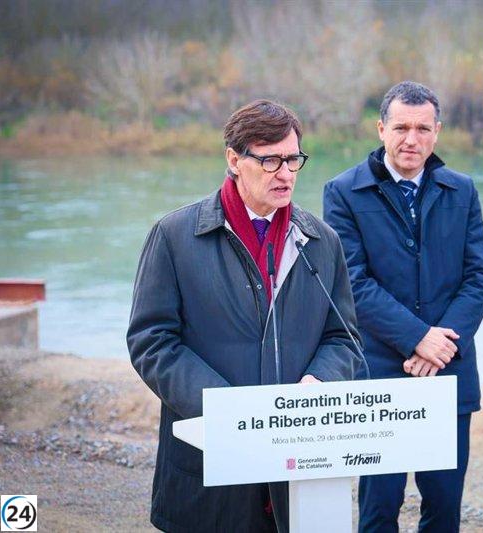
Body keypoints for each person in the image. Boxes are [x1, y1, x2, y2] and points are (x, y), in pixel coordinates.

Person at [127, 99, 365, 532]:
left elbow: (344, 337)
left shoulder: (322, 240)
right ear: (234, 160)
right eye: (270, 160)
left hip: (298, 462)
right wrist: (225, 410)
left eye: (293, 159)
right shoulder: (174, 236)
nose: (286, 173)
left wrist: (321, 381)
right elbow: (152, 342)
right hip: (208, 470)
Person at [323, 81, 483, 532]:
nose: (411, 139)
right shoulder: (342, 192)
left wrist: (440, 345)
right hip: (381, 372)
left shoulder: (462, 190)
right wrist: (418, 338)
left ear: (437, 132)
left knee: (443, 507)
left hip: (448, 370)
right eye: (401, 127)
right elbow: (352, 284)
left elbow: (479, 278)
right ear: (381, 129)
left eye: (422, 128)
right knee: (379, 507)